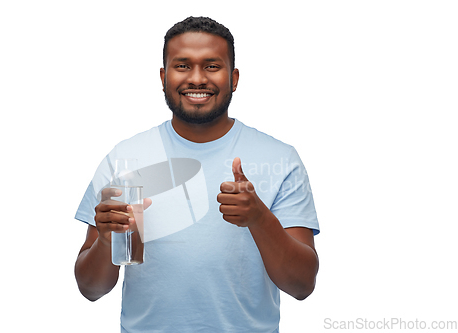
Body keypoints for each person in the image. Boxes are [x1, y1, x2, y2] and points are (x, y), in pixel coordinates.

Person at [74, 16, 320, 333]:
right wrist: (107, 239)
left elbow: (302, 285)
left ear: (234, 78)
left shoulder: (280, 159)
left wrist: (260, 219)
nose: (197, 78)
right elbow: (91, 290)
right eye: (182, 65)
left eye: (212, 66)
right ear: (163, 77)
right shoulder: (124, 158)